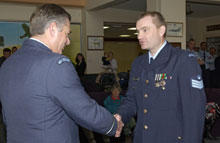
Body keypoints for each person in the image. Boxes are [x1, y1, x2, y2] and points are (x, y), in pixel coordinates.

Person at [0, 4, 123, 143]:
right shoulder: (55, 64)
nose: (68, 41)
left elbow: (7, 117)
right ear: (53, 28)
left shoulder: (8, 64)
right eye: (66, 34)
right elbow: (83, 109)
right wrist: (113, 124)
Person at [115, 11, 206, 143]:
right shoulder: (138, 63)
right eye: (138, 31)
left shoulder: (183, 60)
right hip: (142, 137)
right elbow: (132, 100)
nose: (139, 36)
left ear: (161, 30)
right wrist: (119, 116)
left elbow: (194, 113)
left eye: (145, 30)